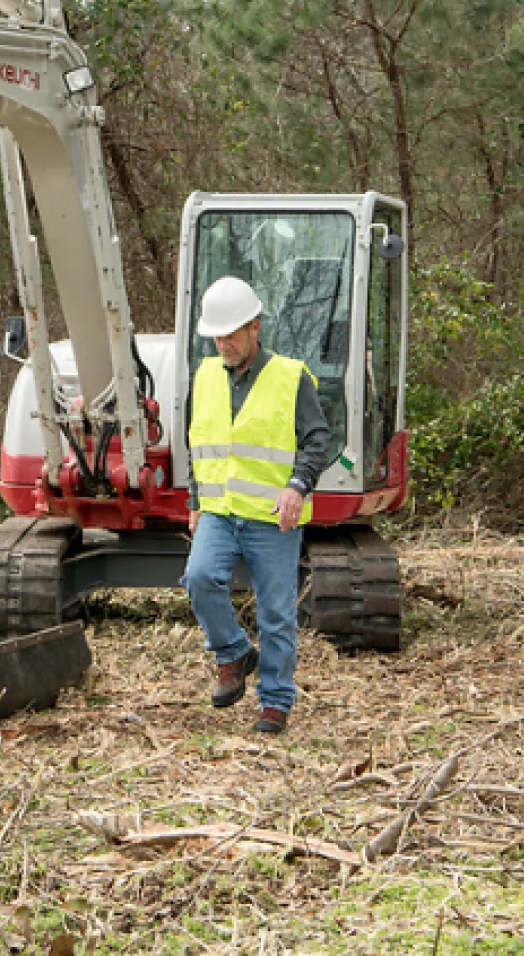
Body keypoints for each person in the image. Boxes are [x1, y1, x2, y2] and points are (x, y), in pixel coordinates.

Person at [181, 274, 333, 735]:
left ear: (254, 328)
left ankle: (274, 703)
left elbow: (317, 439)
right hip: (220, 511)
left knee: (275, 613)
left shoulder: (291, 377)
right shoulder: (205, 376)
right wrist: (194, 498)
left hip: (272, 517)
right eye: (217, 336)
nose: (223, 344)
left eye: (231, 335)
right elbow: (200, 443)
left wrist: (298, 485)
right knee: (199, 577)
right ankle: (232, 654)